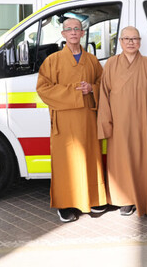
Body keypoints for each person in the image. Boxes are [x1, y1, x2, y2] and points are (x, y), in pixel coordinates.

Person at [36, 18, 107, 223]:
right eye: (69, 29)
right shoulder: (53, 60)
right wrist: (74, 93)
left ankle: (92, 199)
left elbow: (102, 83)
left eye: (77, 29)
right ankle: (66, 205)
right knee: (66, 162)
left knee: (89, 158)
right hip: (64, 119)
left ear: (83, 34)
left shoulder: (92, 60)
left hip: (87, 118)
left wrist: (91, 89)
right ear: (63, 34)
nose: (74, 32)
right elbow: (43, 89)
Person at [97, 26, 147, 217]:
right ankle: (125, 200)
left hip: (143, 123)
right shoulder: (111, 64)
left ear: (140, 42)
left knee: (142, 161)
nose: (131, 42)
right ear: (120, 42)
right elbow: (104, 96)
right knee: (121, 162)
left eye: (135, 39)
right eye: (126, 39)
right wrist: (106, 123)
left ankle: (145, 198)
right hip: (119, 124)